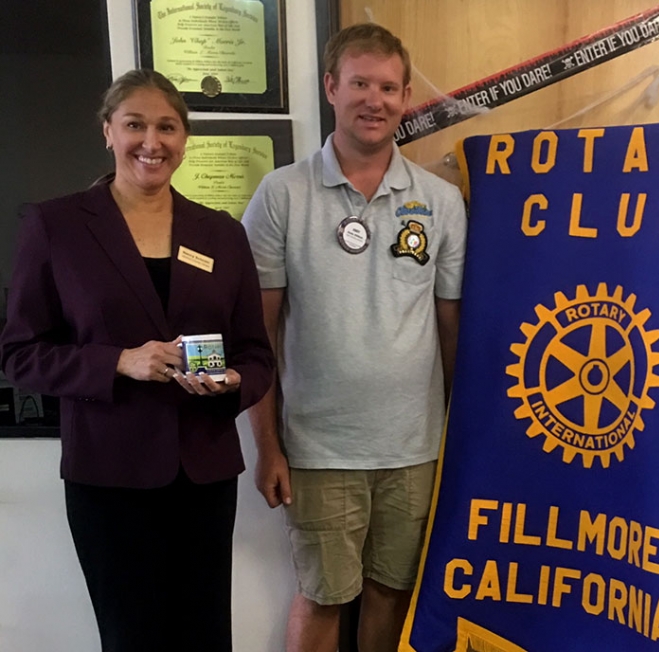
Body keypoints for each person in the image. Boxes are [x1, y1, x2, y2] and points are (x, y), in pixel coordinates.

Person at [0, 69, 275, 652]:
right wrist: (117, 362)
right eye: (135, 124)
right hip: (109, 477)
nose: (152, 142)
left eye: (167, 127)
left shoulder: (222, 233)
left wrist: (231, 381)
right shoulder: (57, 226)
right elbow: (20, 355)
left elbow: (256, 355)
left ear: (185, 139)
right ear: (108, 131)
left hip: (202, 475)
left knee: (204, 635)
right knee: (132, 638)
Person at [242, 23, 466, 652]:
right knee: (321, 597)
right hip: (318, 449)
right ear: (332, 87)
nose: (376, 100)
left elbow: (450, 326)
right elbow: (259, 334)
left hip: (414, 447)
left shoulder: (441, 201)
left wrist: (459, 436)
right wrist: (268, 447)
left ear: (404, 98)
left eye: (390, 87)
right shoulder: (281, 195)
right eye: (361, 83)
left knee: (393, 592)